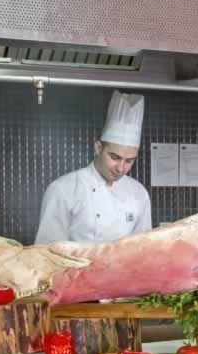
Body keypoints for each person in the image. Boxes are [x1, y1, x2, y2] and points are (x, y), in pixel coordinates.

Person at [35, 91, 152, 244]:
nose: (120, 168)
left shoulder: (139, 193)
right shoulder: (63, 189)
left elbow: (143, 248)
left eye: (129, 161)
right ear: (98, 148)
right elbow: (47, 250)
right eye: (114, 157)